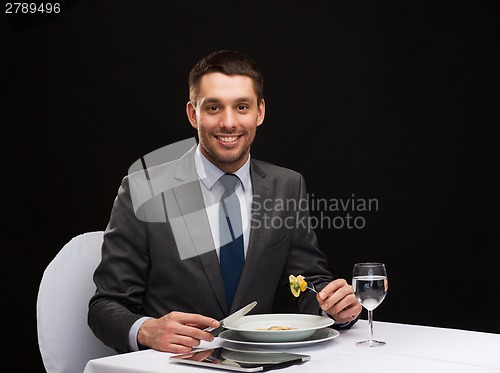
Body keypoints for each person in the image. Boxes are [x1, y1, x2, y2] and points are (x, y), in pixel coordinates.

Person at [88, 49, 362, 354]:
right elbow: (105, 306)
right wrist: (146, 330)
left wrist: (334, 307)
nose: (228, 123)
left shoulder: (287, 185)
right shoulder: (143, 189)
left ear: (260, 112)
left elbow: (308, 282)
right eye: (214, 107)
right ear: (194, 114)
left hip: (262, 371)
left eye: (241, 107)